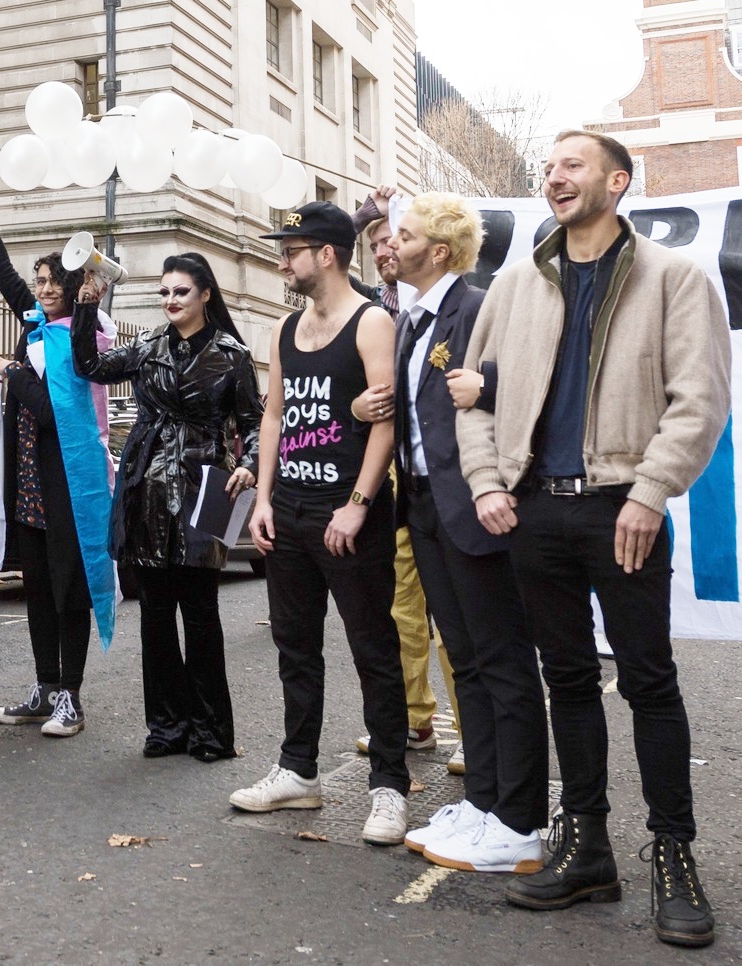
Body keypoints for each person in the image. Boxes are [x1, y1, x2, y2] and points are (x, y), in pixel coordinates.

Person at [455, 130, 730, 947]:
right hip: (537, 511)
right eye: (548, 169)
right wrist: (485, 483)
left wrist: (650, 493)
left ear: (618, 180)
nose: (554, 178)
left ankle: (674, 858)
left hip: (623, 509)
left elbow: (700, 400)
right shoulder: (515, 286)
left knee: (649, 681)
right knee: (567, 679)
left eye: (572, 165)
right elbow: (470, 396)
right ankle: (587, 849)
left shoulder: (673, 278)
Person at [350, 193, 548, 875]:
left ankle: (521, 821)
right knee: (464, 659)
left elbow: (528, 382)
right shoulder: (408, 319)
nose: (387, 245)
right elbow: (410, 408)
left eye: (400, 236)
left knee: (504, 663)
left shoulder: (479, 305)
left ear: (436, 251)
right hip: (426, 507)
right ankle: (485, 803)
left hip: (478, 506)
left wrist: (485, 384)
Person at [230, 201, 409, 846]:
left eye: (292, 250)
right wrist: (264, 499)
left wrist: (358, 502)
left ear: (326, 254)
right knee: (295, 648)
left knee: (372, 649)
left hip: (349, 513)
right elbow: (275, 414)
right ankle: (298, 772)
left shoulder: (371, 323)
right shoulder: (283, 328)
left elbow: (385, 419)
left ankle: (389, 786)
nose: (283, 261)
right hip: (293, 515)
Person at [70, 252, 263, 762]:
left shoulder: (232, 355)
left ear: (204, 295)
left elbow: (255, 423)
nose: (171, 300)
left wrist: (253, 464)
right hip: (146, 488)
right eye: (164, 292)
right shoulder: (148, 346)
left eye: (181, 291)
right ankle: (166, 727)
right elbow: (89, 365)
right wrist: (87, 308)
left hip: (206, 487)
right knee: (155, 615)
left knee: (200, 614)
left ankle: (211, 732)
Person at [0, 180, 116, 738]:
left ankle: (72, 696)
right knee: (40, 587)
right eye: (40, 282)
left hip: (67, 482)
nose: (40, 290)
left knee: (70, 590)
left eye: (50, 282)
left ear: (72, 289)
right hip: (29, 483)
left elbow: (52, 414)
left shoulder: (76, 341)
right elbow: (5, 276)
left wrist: (13, 374)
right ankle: (45, 689)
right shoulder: (38, 329)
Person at [353, 205, 464, 774]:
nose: (384, 248)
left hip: (450, 485)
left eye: (394, 238)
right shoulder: (382, 311)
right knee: (402, 610)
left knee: (456, 615)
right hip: (400, 485)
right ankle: (414, 719)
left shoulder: (456, 307)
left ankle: (472, 727)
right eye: (376, 242)